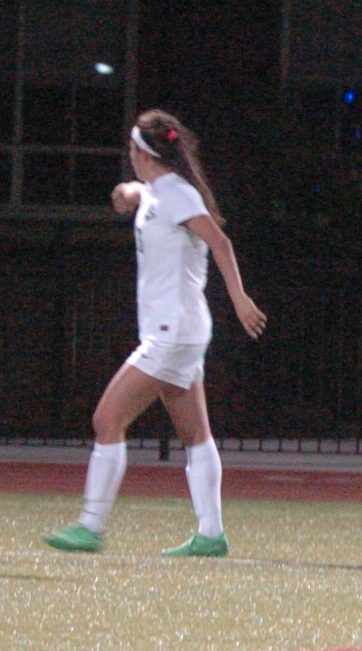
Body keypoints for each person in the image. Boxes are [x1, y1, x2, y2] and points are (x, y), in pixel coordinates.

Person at [43, 111, 267, 556]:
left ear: (143, 153)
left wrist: (240, 299)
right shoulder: (159, 190)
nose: (129, 156)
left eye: (132, 150)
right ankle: (211, 534)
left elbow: (220, 242)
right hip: (181, 330)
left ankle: (90, 526)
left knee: (107, 420)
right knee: (195, 434)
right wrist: (129, 191)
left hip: (172, 333)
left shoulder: (177, 194)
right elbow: (145, 193)